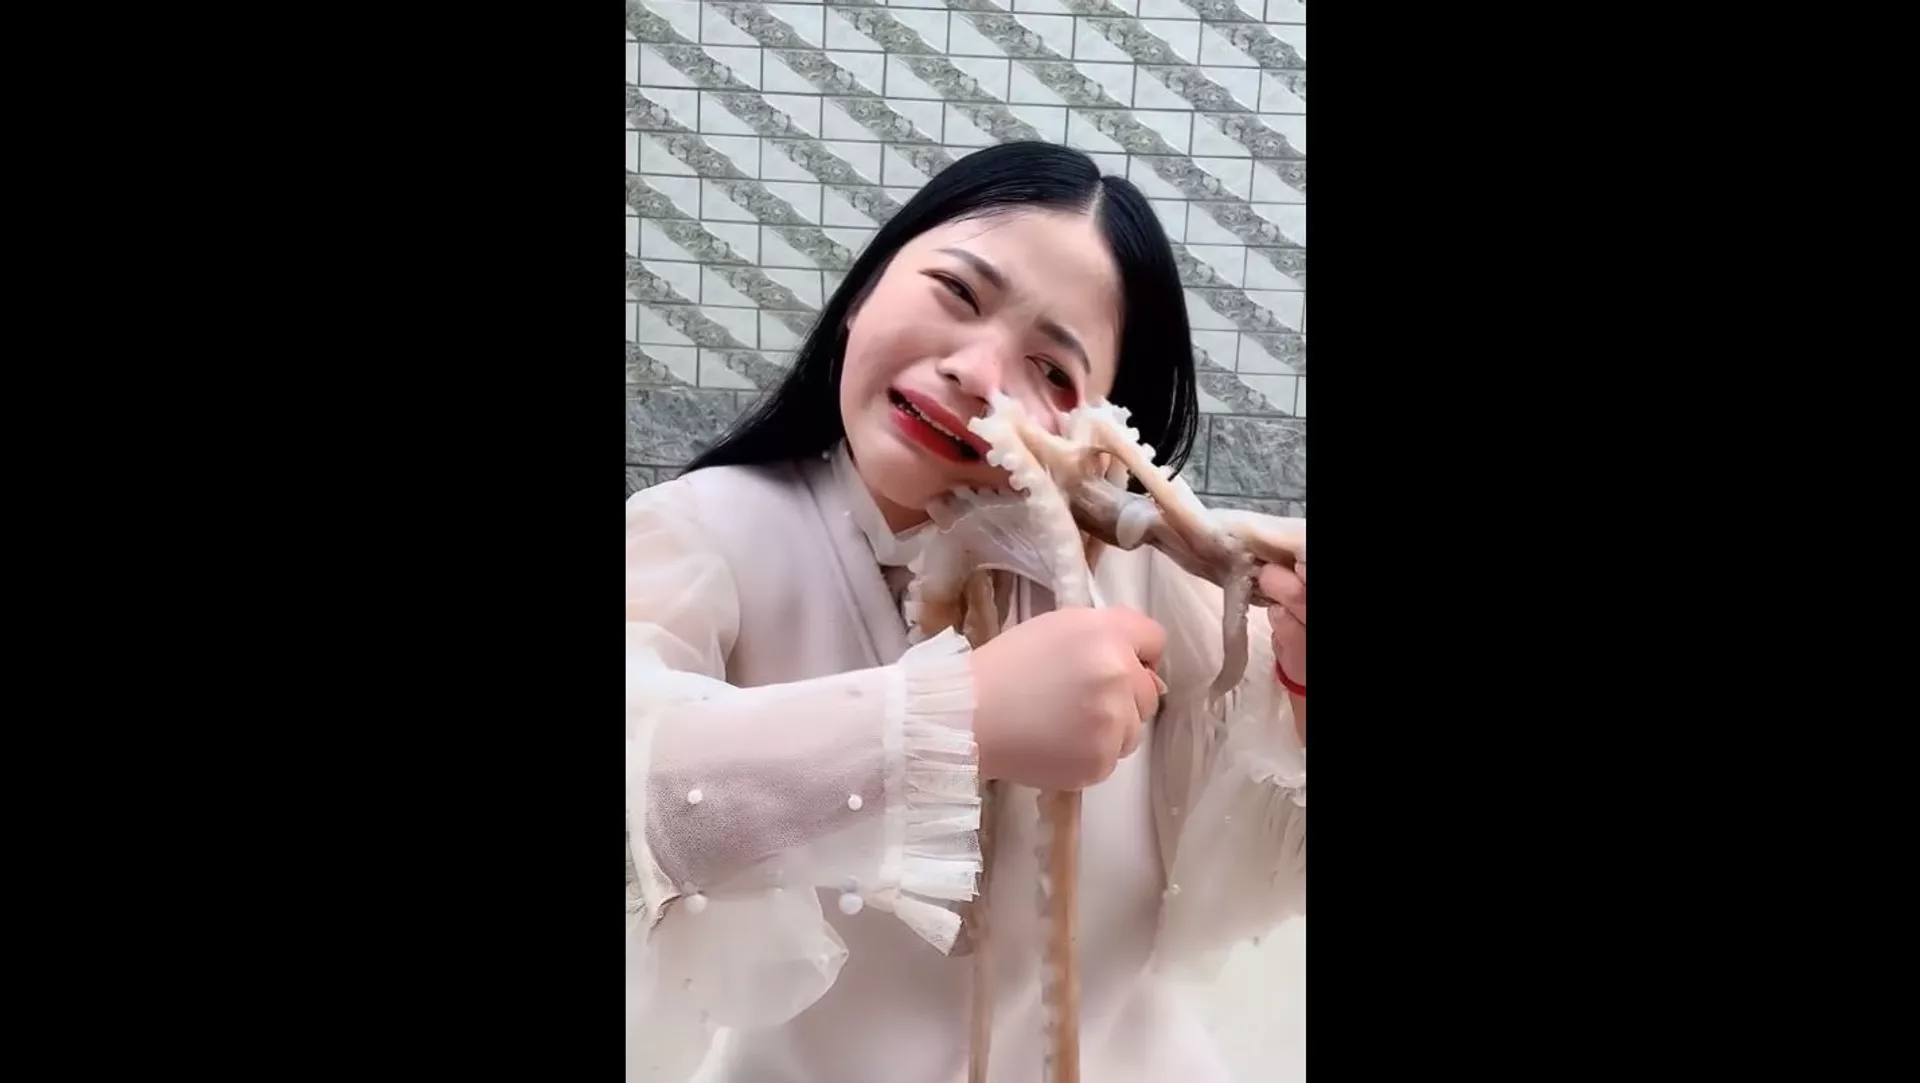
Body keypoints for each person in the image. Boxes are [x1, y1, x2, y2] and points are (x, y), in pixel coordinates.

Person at [626, 141, 1306, 1083]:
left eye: (1054, 371)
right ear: (867, 287)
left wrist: (1299, 682)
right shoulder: (704, 532)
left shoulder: (1151, 582)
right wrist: (959, 718)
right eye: (957, 290)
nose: (980, 371)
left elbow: (1248, 864)